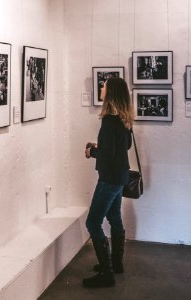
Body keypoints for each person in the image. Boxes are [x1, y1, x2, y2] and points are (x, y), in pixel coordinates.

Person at [83, 77, 134, 288]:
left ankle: (107, 273)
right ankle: (116, 263)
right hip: (121, 175)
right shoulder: (124, 119)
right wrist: (101, 145)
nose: (101, 88)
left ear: (110, 92)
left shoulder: (109, 120)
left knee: (93, 223)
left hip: (109, 178)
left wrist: (91, 151)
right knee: (114, 217)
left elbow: (107, 154)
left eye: (104, 86)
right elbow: (125, 146)